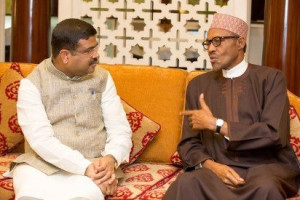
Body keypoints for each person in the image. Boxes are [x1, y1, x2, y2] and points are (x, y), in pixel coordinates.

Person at [163, 13, 300, 200]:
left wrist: (217, 124)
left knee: (265, 187)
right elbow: (189, 143)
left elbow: (274, 134)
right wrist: (212, 166)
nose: (211, 49)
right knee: (185, 184)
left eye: (218, 41)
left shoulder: (271, 79)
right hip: (219, 168)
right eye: (208, 43)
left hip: (265, 167)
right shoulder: (198, 86)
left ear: (240, 42)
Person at [8, 18, 132, 200]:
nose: (96, 55)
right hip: (40, 167)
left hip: (93, 164)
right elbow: (40, 140)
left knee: (85, 196)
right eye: (89, 51)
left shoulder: (103, 78)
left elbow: (119, 128)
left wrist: (111, 159)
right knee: (30, 195)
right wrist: (84, 167)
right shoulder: (32, 84)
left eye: (96, 47)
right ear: (65, 56)